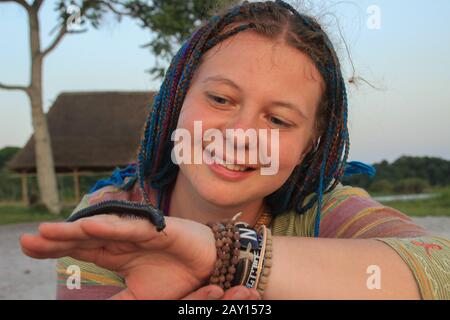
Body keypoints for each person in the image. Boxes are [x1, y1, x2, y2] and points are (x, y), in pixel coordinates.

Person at [20, 0, 449, 300]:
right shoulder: (113, 222)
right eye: (220, 99)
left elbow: (441, 269)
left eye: (278, 120)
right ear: (176, 102)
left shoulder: (321, 211)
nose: (243, 135)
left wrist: (224, 253)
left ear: (308, 147)